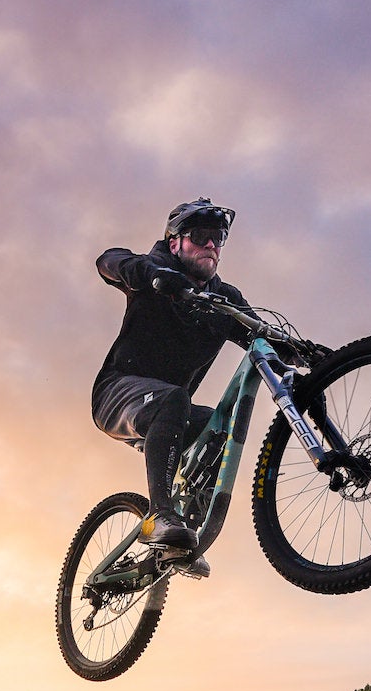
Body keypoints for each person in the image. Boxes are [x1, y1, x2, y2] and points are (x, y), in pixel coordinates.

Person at [92, 198, 255, 555]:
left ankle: (182, 535)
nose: (211, 245)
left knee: (221, 426)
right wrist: (153, 276)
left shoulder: (222, 299)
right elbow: (108, 261)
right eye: (200, 235)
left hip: (170, 409)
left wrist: (312, 357)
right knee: (174, 399)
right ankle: (159, 516)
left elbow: (260, 335)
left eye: (218, 238)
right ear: (175, 242)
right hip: (117, 394)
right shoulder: (154, 272)